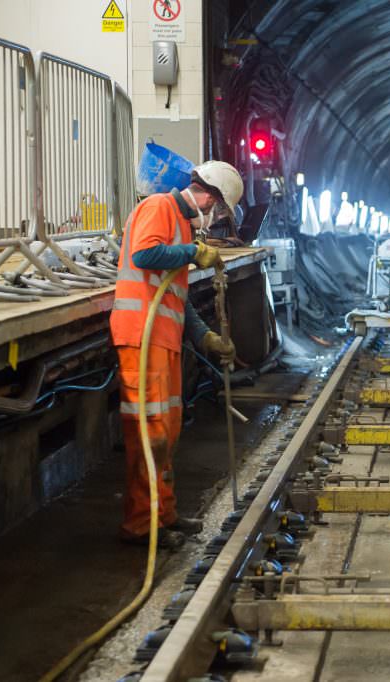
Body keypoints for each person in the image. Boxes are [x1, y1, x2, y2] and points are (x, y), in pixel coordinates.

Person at [110, 161, 244, 548]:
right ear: (208, 196)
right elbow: (143, 256)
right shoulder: (158, 208)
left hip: (163, 341)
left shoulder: (184, 226)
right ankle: (140, 525)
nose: (216, 219)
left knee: (167, 430)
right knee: (150, 434)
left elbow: (176, 299)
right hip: (142, 338)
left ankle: (163, 515)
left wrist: (205, 339)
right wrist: (191, 251)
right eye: (219, 210)